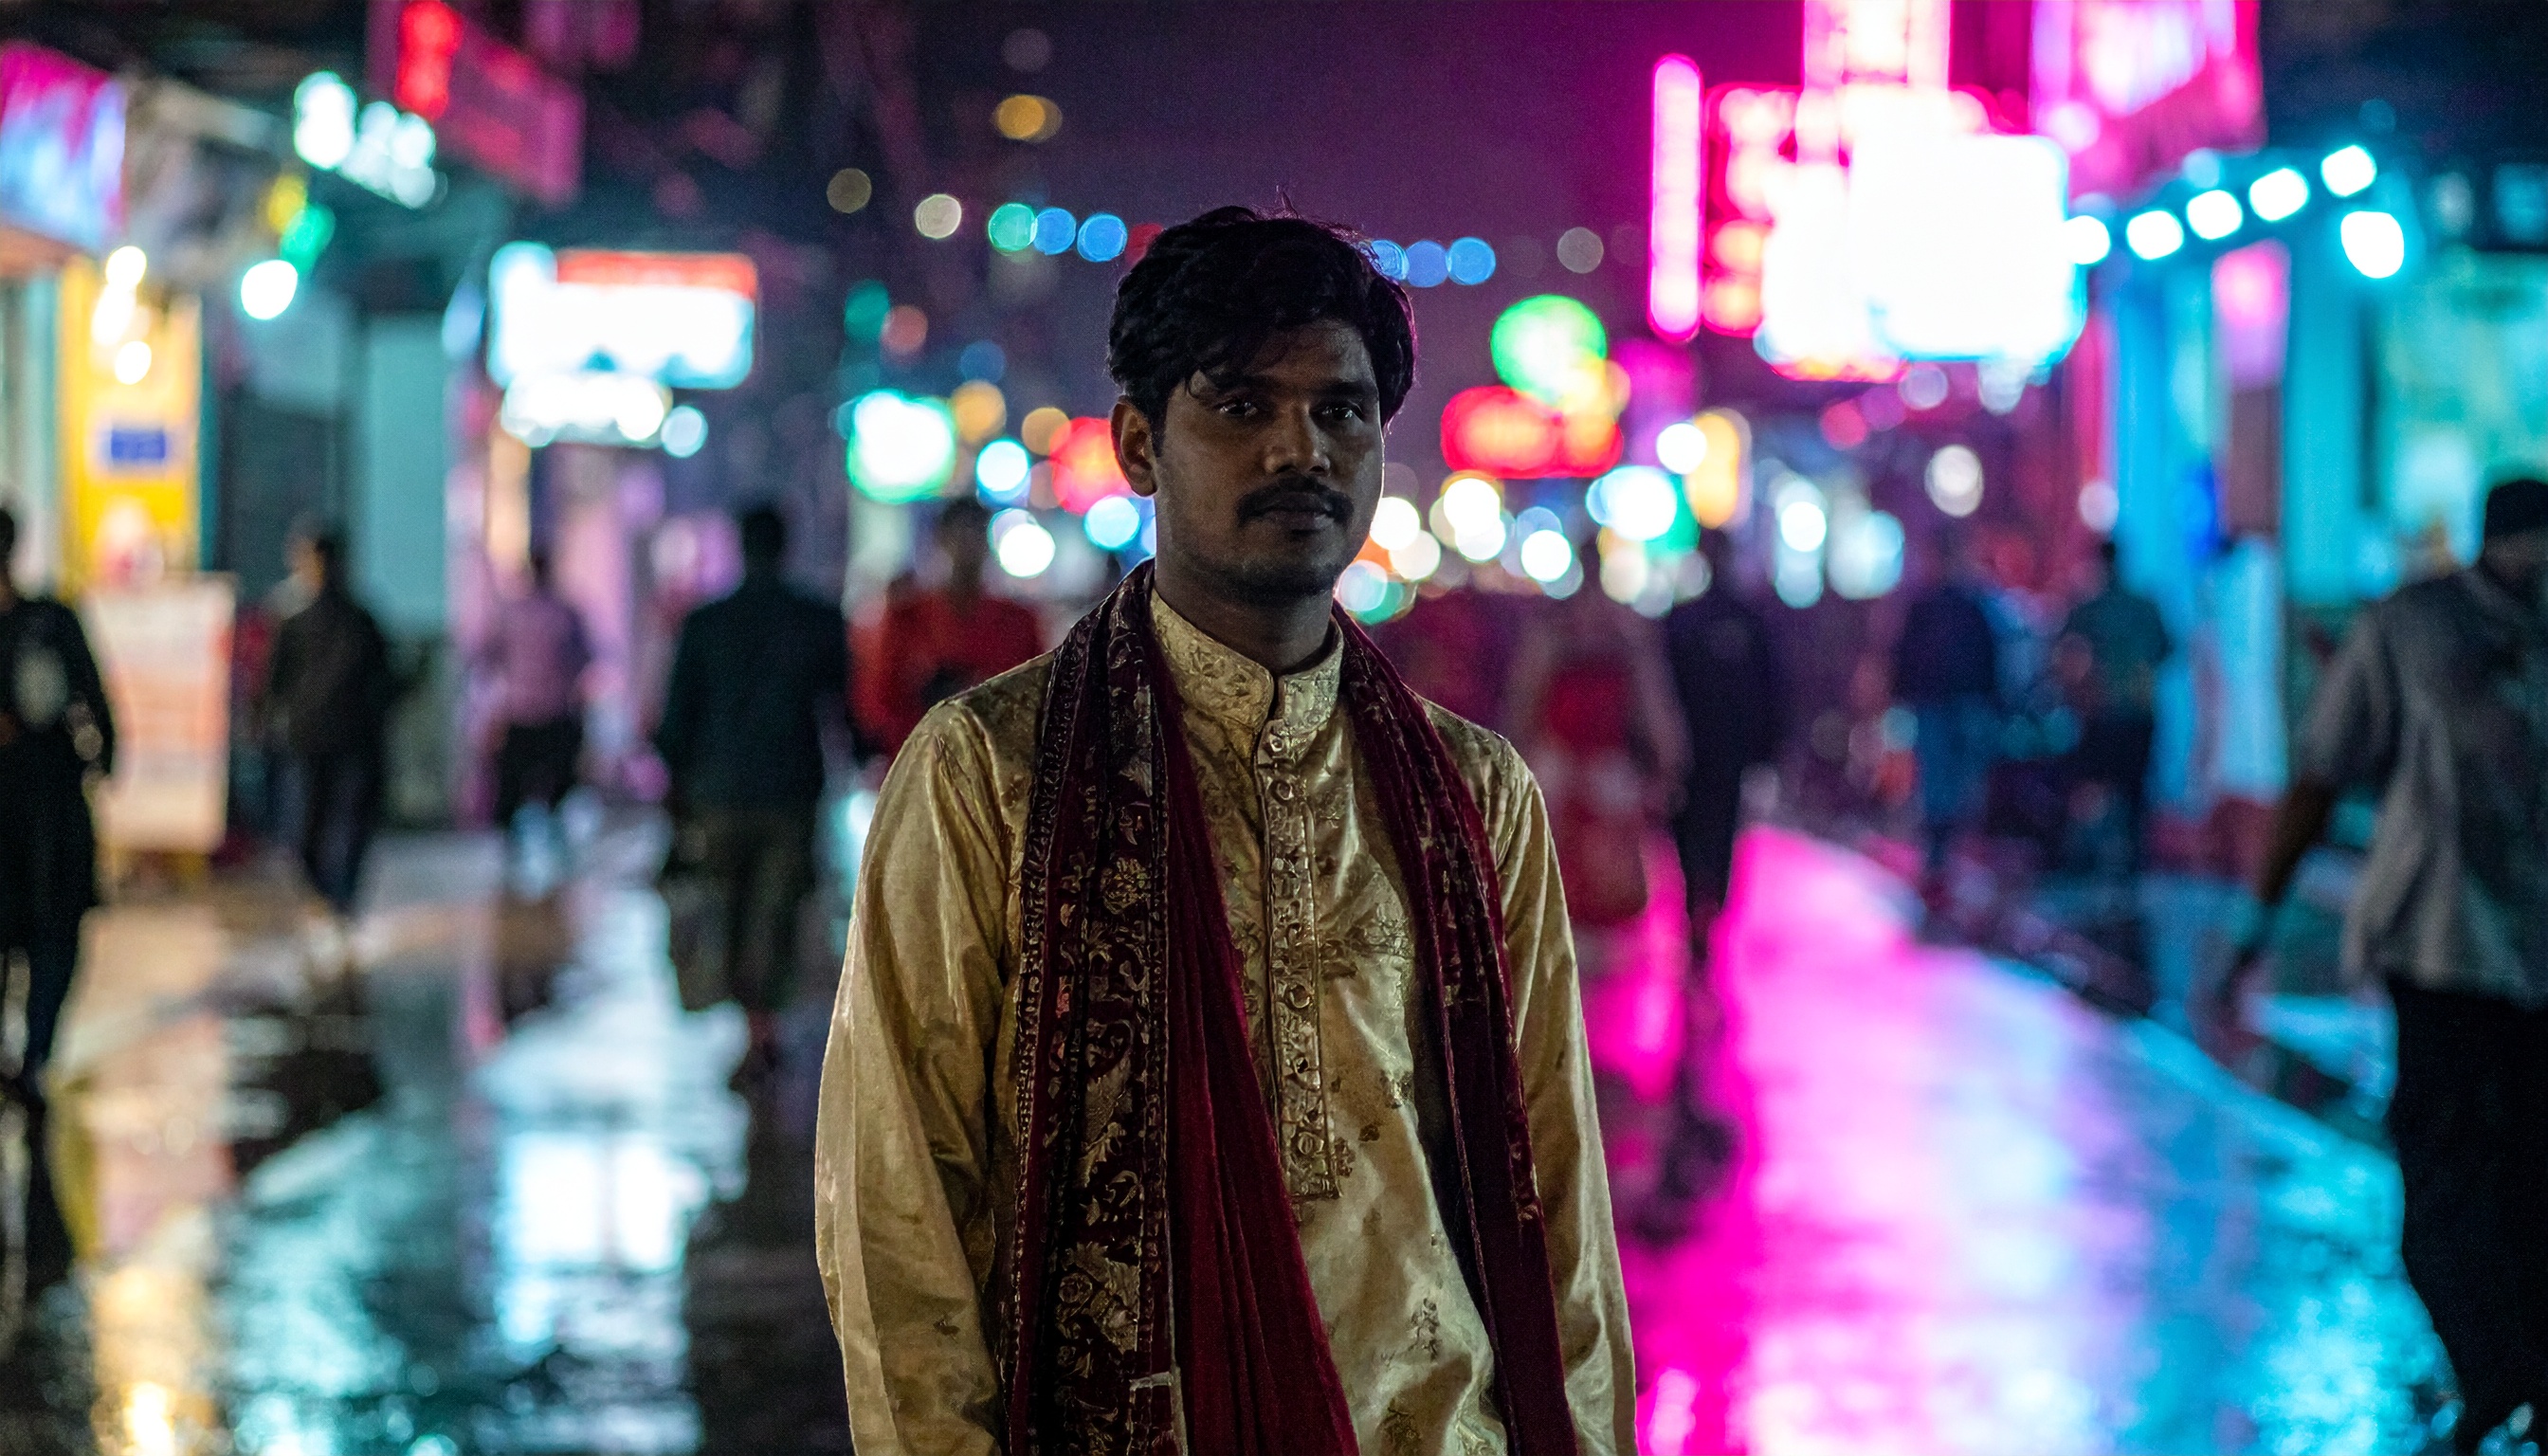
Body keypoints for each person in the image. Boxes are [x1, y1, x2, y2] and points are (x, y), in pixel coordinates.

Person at [817, 208, 1632, 1456]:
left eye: (1339, 411)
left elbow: (1558, 1213)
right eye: (1242, 406)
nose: (1299, 448)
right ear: (1141, 445)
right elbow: (901, 1223)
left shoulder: (1475, 795)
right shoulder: (991, 775)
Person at [2231, 477, 2548, 1453]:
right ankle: (2511, 1383)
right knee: (2521, 1174)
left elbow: (2320, 776)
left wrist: (2257, 919)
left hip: (2445, 949)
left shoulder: (2411, 624)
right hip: (2493, 957)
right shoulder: (2417, 626)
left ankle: (2499, 1382)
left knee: (2451, 1186)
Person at [654, 505, 846, 1079]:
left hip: (719, 792)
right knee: (779, 906)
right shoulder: (815, 619)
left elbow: (677, 718)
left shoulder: (707, 623)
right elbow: (838, 708)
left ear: (741, 547)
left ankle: (751, 1022)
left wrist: (675, 786)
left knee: (731, 905)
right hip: (790, 791)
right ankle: (763, 1024)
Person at [1506, 531, 1686, 937]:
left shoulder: (1618, 628)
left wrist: (1667, 756)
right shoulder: (1558, 628)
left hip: (1602, 759)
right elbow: (1527, 697)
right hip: (1560, 756)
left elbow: (1648, 698)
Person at [0, 505, 115, 1099]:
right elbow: (96, 702)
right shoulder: (50, 620)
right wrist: (104, 761)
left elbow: (92, 702)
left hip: (46, 810)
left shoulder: (49, 622)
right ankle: (35, 1056)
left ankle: (34, 1055)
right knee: (53, 937)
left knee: (52, 935)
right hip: (51, 808)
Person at [1663, 528, 1785, 955]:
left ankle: (1704, 913)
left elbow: (1769, 692)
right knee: (1705, 837)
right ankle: (1702, 911)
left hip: (1716, 756)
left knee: (1712, 836)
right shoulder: (1690, 621)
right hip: (1701, 755)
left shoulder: (1730, 621)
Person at [263, 527, 393, 919]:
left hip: (344, 740)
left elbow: (381, 683)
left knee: (337, 824)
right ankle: (331, 896)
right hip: (318, 740)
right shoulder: (299, 622)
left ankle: (337, 898)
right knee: (315, 827)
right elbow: (274, 683)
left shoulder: (359, 622)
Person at [850, 497, 1042, 759]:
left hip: (995, 765)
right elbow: (879, 698)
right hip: (921, 761)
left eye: (975, 533)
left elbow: (1037, 700)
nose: (967, 546)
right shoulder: (907, 616)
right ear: (941, 539)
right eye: (959, 534)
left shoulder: (1018, 621)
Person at [1893, 528, 2002, 893]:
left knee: (1951, 781)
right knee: (1945, 781)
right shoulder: (1946, 607)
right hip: (1943, 705)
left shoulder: (1958, 607)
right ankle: (1942, 857)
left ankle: (1947, 856)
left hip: (1953, 705)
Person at [2059, 538, 2172, 870]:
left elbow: (2064, 652)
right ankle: (2131, 858)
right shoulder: (2143, 607)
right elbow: (2166, 650)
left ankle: (2094, 857)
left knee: (2094, 789)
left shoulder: (2089, 608)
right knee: (2135, 792)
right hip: (2138, 713)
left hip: (2103, 713)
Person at [483, 550, 592, 845]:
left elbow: (486, 657)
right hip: (552, 712)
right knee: (555, 789)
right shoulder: (565, 614)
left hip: (525, 713)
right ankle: (552, 850)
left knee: (517, 790)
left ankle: (518, 853)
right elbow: (584, 659)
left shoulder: (513, 614)